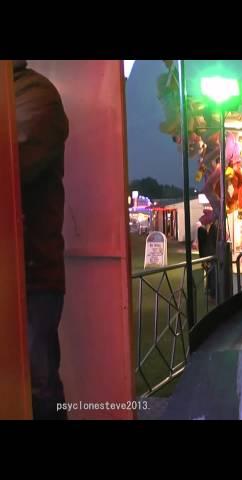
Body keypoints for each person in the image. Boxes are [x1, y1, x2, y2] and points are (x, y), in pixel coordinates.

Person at [13, 60, 69, 420]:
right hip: (17, 277)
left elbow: (13, 164)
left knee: (39, 387)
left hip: (31, 278)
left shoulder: (36, 97)